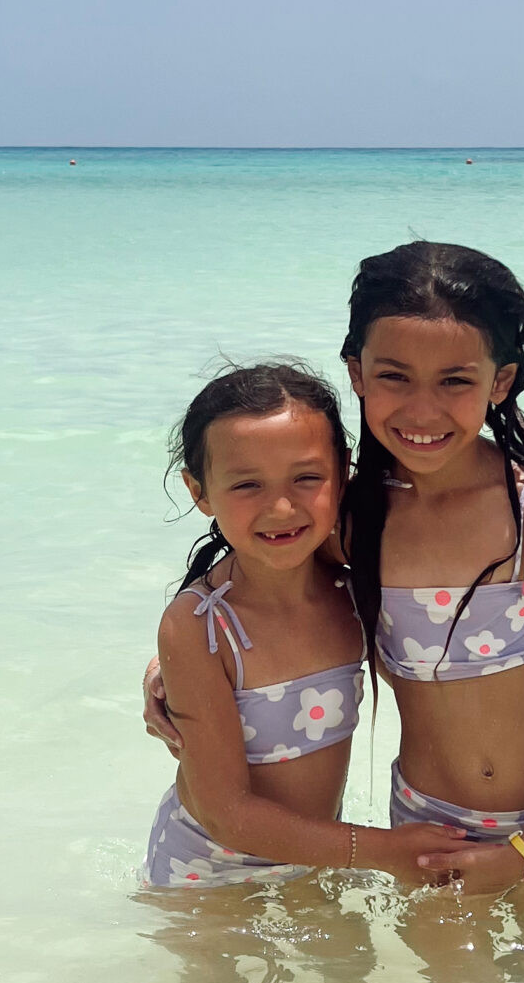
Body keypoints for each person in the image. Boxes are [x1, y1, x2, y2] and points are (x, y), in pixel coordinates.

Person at [339, 240, 524, 893]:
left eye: (454, 381)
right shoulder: (349, 519)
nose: (422, 411)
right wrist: (168, 665)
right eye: (393, 376)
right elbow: (253, 589)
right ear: (356, 374)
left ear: (498, 382)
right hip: (429, 828)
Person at [141, 359, 465, 889]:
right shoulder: (201, 626)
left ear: (343, 472)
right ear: (200, 492)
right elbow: (226, 812)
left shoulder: (353, 591)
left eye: (307, 478)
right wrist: (382, 850)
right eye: (247, 484)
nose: (282, 506)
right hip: (206, 872)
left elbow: (453, 696)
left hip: (321, 855)